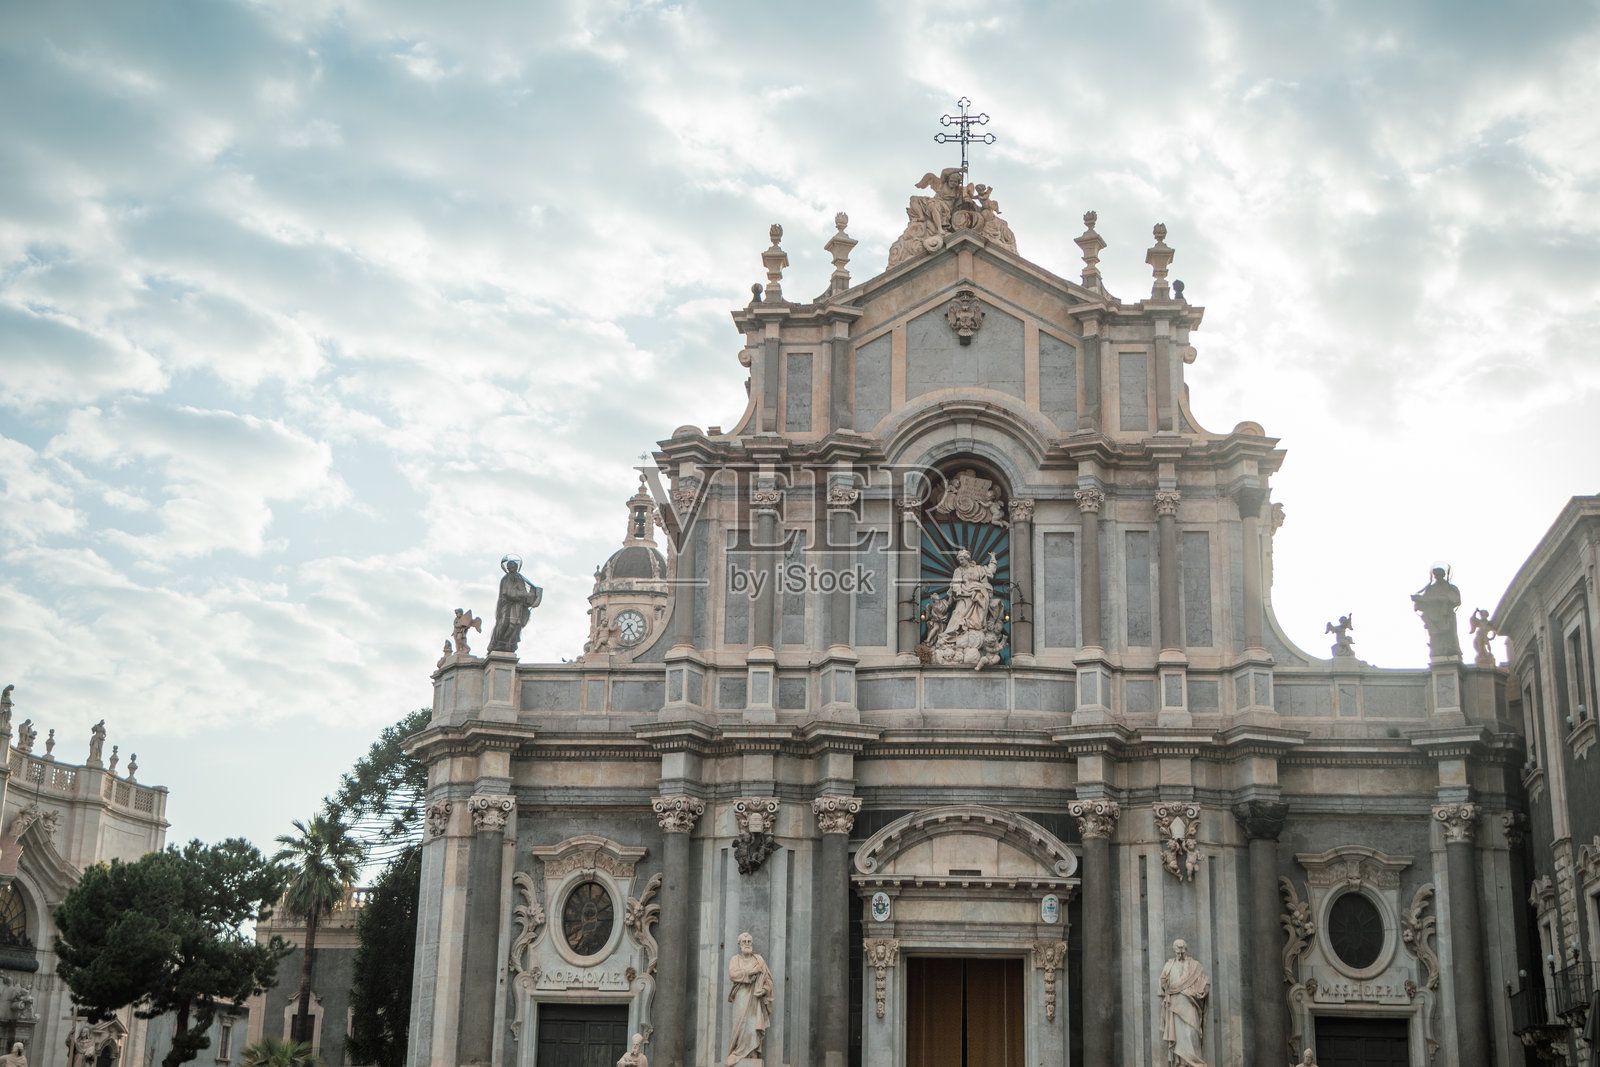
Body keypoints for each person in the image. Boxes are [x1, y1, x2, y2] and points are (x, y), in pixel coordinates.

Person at [725, 932, 774, 1066]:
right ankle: (738, 1051)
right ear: (739, 944)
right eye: (744, 942)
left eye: (749, 942)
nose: (747, 944)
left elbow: (768, 980)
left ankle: (752, 1051)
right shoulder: (735, 959)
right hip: (740, 996)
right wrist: (751, 973)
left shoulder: (758, 959)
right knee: (740, 1025)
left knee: (752, 1025)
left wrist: (764, 990)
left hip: (755, 1000)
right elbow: (733, 974)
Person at [1159, 939, 1210, 1067]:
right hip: (1175, 1006)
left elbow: (1203, 984)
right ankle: (1181, 1063)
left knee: (1192, 1034)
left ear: (1186, 949)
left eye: (1182, 948)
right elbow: (1162, 987)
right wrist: (1164, 983)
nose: (1180, 952)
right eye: (1178, 949)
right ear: (1174, 950)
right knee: (1179, 1037)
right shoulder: (1169, 965)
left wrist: (1202, 990)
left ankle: (1194, 1062)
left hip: (1191, 1005)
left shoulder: (1195, 966)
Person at [488, 558, 542, 654]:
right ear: (507, 568)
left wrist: (532, 594)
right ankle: (497, 643)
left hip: (517, 606)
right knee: (504, 623)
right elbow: (509, 593)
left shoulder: (519, 578)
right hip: (507, 605)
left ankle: (508, 644)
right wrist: (526, 595)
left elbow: (523, 592)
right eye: (510, 567)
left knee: (515, 625)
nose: (511, 569)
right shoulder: (505, 579)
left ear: (516, 567)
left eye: (513, 567)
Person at [1410, 566, 1461, 658]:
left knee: (1447, 636)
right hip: (1432, 617)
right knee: (1434, 637)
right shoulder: (1430, 588)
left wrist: (1445, 600)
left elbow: (1456, 600)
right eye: (1436, 575)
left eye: (1439, 575)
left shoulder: (1450, 588)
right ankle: (1437, 651)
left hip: (1446, 616)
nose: (1437, 576)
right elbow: (1425, 601)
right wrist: (1418, 601)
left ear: (1443, 575)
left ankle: (1448, 649)